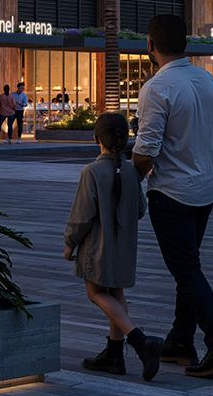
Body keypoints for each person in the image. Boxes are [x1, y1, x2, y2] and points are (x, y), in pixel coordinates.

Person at [133, 13, 213, 377]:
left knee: (186, 270)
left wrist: (129, 175)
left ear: (150, 45)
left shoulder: (157, 88)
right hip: (205, 189)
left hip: (172, 193)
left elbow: (146, 150)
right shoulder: (207, 80)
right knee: (188, 266)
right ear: (185, 43)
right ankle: (180, 341)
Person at [65, 112, 162, 380]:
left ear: (97, 138)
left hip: (97, 246)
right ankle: (115, 353)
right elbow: (140, 210)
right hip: (124, 246)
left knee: (95, 292)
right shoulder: (132, 172)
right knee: (116, 292)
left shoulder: (92, 172)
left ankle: (139, 340)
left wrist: (69, 244)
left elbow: (81, 216)